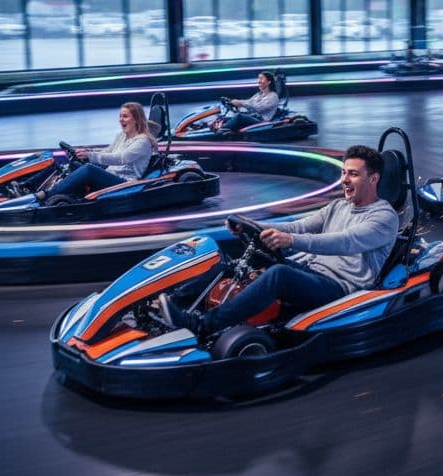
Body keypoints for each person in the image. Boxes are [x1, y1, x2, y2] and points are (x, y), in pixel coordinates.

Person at [159, 144, 400, 342]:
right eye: (344, 173)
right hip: (311, 271)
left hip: (339, 286)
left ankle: (202, 325)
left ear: (374, 179)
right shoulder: (339, 205)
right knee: (239, 259)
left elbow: (345, 242)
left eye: (353, 174)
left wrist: (291, 241)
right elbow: (300, 226)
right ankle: (176, 302)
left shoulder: (384, 217)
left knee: (279, 275)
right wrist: (254, 225)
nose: (344, 180)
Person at [37, 102, 156, 203]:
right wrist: (87, 153)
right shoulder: (121, 136)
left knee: (89, 169)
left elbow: (121, 158)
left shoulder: (142, 141)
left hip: (125, 182)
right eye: (120, 116)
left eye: (125, 116)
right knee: (76, 163)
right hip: (111, 174)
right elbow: (108, 151)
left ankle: (48, 195)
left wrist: (91, 156)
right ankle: (68, 195)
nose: (120, 120)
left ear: (136, 119)